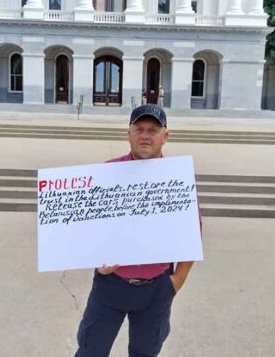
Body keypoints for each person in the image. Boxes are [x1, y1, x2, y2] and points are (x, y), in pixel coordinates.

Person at [74, 104, 200, 357]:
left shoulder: (177, 179)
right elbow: (87, 228)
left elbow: (192, 233)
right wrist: (96, 259)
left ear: (165, 135)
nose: (145, 135)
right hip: (111, 285)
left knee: (146, 353)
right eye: (139, 129)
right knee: (91, 350)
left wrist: (176, 282)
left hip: (156, 289)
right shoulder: (107, 172)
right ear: (129, 133)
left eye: (152, 130)